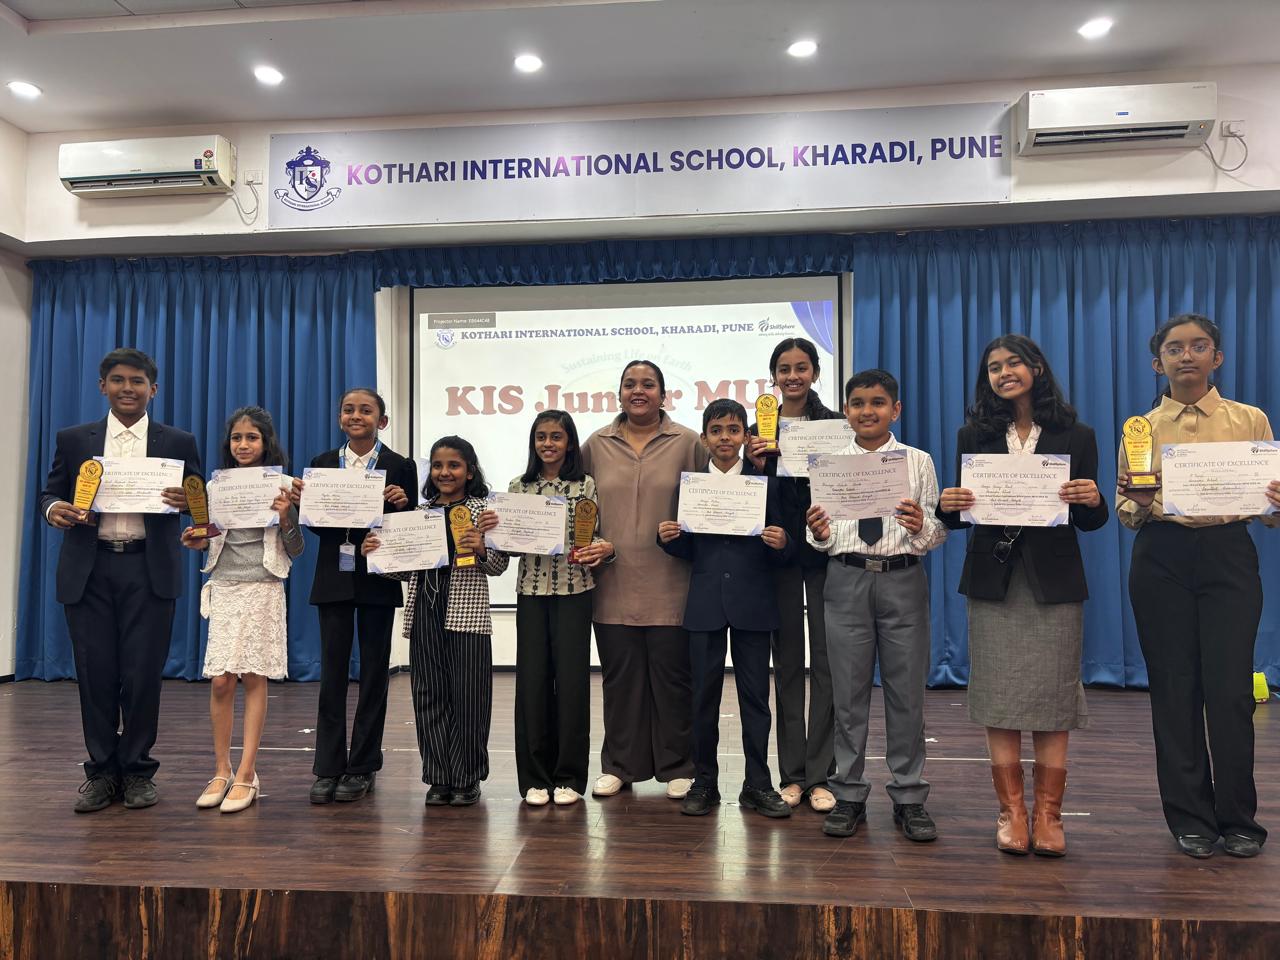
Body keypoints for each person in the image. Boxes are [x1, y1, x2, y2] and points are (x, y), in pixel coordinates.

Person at [1117, 314, 1280, 860]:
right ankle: (1189, 818)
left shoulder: (1250, 420)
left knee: (1231, 691)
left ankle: (1239, 819)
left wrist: (1277, 503)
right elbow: (1126, 510)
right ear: (1157, 362)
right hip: (1161, 558)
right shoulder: (1140, 428)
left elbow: (1269, 510)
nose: (1186, 355)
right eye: (1174, 348)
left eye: (1199, 346)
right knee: (1174, 689)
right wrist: (1139, 503)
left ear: (1217, 357)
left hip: (1228, 554)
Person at [938, 336, 1107, 857]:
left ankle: (1049, 815)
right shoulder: (974, 434)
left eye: (1013, 363)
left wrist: (1092, 498)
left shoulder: (1077, 434)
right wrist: (949, 503)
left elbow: (1091, 521)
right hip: (994, 578)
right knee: (999, 695)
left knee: (1054, 697)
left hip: (1054, 580)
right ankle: (1011, 812)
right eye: (994, 367)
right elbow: (960, 516)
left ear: (1037, 368)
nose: (1004, 373)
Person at [39, 347, 202, 813]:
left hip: (148, 569)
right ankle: (101, 773)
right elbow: (51, 492)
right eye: (118, 380)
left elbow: (198, 501)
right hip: (89, 570)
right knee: (94, 675)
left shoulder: (178, 442)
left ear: (154, 389)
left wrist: (188, 501)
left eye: (137, 381)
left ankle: (137, 771)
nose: (127, 389)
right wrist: (55, 509)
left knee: (142, 674)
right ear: (102, 386)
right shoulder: (74, 439)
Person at [806, 370, 947, 841]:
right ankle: (848, 793)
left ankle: (909, 797)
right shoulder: (828, 465)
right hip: (845, 578)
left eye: (879, 402)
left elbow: (936, 533)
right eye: (858, 403)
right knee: (847, 695)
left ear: (896, 410)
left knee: (906, 694)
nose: (868, 411)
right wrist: (818, 533)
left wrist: (920, 524)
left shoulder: (918, 461)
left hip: (902, 580)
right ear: (846, 411)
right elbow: (821, 535)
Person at [658, 399, 793, 819]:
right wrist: (668, 538)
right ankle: (705, 782)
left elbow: (784, 547)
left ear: (746, 437)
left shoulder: (764, 484)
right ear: (704, 438)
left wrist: (782, 543)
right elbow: (687, 548)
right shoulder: (690, 486)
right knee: (703, 698)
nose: (725, 438)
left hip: (753, 604)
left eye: (733, 430)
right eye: (716, 430)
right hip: (705, 605)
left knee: (756, 700)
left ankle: (758, 784)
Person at [580, 360, 707, 800]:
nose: (639, 391)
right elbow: (578, 505)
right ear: (619, 393)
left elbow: (715, 501)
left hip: (673, 584)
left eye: (648, 384)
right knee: (620, 682)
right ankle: (620, 765)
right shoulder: (596, 444)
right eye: (630, 384)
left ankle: (678, 765)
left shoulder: (689, 442)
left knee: (673, 681)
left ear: (663, 394)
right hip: (611, 583)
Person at [363, 436, 508, 807]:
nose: (445, 472)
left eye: (454, 465)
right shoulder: (419, 512)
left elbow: (498, 565)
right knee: (428, 696)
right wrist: (376, 556)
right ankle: (439, 776)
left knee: (470, 698)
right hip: (425, 613)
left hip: (467, 614)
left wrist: (482, 548)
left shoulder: (484, 511)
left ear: (469, 471)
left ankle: (467, 777)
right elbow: (404, 570)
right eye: (439, 466)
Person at [291, 387, 416, 805]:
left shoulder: (400, 465)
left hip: (379, 576)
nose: (356, 416)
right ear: (340, 418)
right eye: (348, 410)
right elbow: (315, 525)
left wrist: (401, 504)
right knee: (332, 675)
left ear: (382, 420)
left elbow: (409, 525)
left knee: (375, 674)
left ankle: (363, 765)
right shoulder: (323, 464)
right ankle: (328, 766)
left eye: (366, 410)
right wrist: (306, 506)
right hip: (334, 575)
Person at [182, 407, 303, 814]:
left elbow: (297, 548)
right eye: (237, 438)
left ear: (266, 443)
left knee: (253, 675)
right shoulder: (215, 486)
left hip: (264, 585)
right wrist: (196, 539)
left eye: (252, 437)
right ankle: (221, 769)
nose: (244, 444)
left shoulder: (283, 485)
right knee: (220, 681)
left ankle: (248, 773)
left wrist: (286, 516)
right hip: (225, 586)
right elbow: (209, 536)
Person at [746, 337, 842, 812]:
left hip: (826, 554)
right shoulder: (756, 431)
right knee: (786, 663)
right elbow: (747, 497)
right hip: (779, 557)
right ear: (774, 377)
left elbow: (844, 486)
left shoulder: (835, 426)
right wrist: (757, 465)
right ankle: (793, 774)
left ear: (815, 373)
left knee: (826, 662)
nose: (792, 376)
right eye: (784, 369)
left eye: (801, 368)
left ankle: (823, 774)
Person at [505, 411, 601, 807]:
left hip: (575, 591)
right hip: (531, 592)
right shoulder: (518, 486)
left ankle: (569, 777)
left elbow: (596, 535)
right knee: (532, 684)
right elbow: (508, 546)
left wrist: (599, 548)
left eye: (556, 437)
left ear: (570, 443)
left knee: (573, 684)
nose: (548, 444)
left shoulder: (585, 485)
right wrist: (498, 531)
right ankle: (534, 778)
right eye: (541, 437)